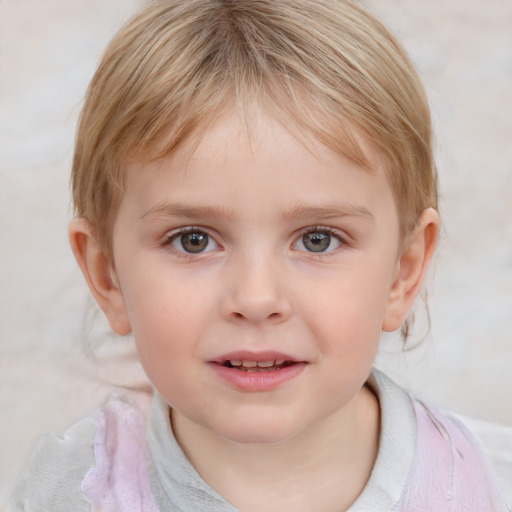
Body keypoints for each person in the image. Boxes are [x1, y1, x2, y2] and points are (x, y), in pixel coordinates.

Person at [7, 0, 511, 510]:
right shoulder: (67, 493)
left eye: (318, 239)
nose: (255, 298)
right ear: (106, 274)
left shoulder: (494, 487)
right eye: (193, 240)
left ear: (403, 272)